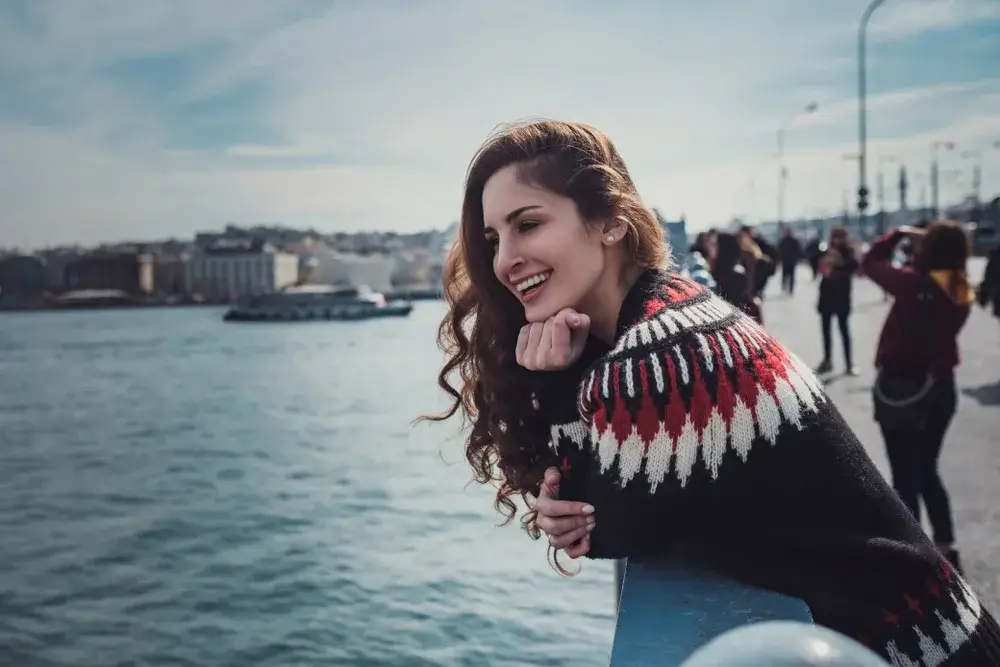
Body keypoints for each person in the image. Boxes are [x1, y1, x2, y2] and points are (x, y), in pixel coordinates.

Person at [425, 119, 1000, 666]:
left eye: (528, 225)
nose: (504, 260)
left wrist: (554, 384)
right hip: (930, 629)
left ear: (610, 222)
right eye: (493, 237)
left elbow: (599, 524)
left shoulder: (657, 352)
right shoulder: (673, 310)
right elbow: (587, 499)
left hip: (914, 649)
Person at [862, 222, 976, 574]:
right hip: (941, 386)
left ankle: (911, 554)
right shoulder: (959, 287)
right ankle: (946, 544)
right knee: (928, 468)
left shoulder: (913, 284)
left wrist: (897, 234)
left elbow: (871, 262)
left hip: (903, 388)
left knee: (904, 473)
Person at [816, 227, 858, 375]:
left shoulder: (849, 253)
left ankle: (849, 364)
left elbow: (853, 268)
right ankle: (827, 360)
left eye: (840, 237)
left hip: (842, 296)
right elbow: (818, 267)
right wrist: (824, 260)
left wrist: (838, 261)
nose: (837, 240)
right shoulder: (826, 250)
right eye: (835, 237)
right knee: (826, 331)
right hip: (826, 295)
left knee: (844, 330)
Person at [778, 226, 803, 295]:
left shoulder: (794, 241)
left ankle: (790, 288)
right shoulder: (783, 241)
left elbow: (799, 250)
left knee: (791, 275)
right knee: (785, 275)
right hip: (786, 260)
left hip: (791, 261)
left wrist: (799, 257)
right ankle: (785, 286)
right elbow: (779, 250)